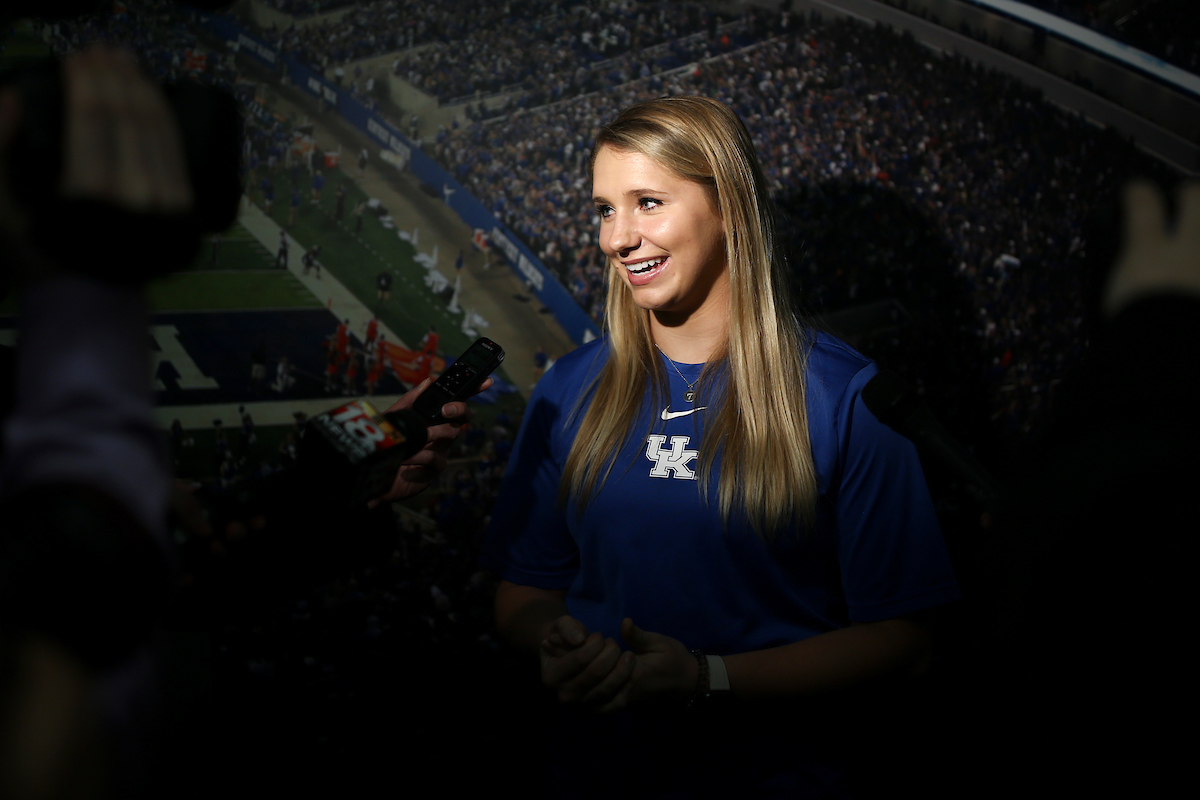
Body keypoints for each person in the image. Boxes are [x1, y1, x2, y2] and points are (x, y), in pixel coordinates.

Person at [482, 97, 959, 795]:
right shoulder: (569, 389)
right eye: (604, 209)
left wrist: (709, 679)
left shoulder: (849, 399)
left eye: (647, 202)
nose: (617, 238)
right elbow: (523, 588)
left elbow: (905, 642)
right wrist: (559, 644)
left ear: (729, 207)